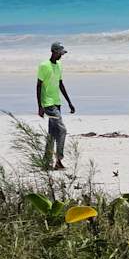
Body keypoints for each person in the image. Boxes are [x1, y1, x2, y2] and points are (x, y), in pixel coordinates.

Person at [36, 42, 75, 170]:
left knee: (52, 134)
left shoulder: (59, 65)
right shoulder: (44, 66)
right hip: (48, 103)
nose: (61, 56)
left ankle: (46, 162)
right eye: (60, 53)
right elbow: (38, 86)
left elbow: (60, 84)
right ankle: (58, 160)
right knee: (62, 130)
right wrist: (40, 106)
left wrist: (69, 102)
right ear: (53, 52)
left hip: (57, 103)